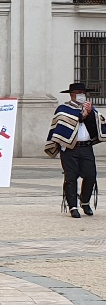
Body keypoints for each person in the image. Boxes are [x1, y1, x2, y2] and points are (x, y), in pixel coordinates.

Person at [45, 82, 106, 218]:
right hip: (69, 149)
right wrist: (81, 116)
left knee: (90, 175)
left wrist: (89, 114)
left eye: (83, 93)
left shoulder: (91, 109)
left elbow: (98, 124)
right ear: (72, 95)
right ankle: (72, 206)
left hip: (86, 147)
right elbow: (62, 125)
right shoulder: (63, 109)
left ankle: (84, 201)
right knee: (71, 178)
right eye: (78, 93)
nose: (81, 95)